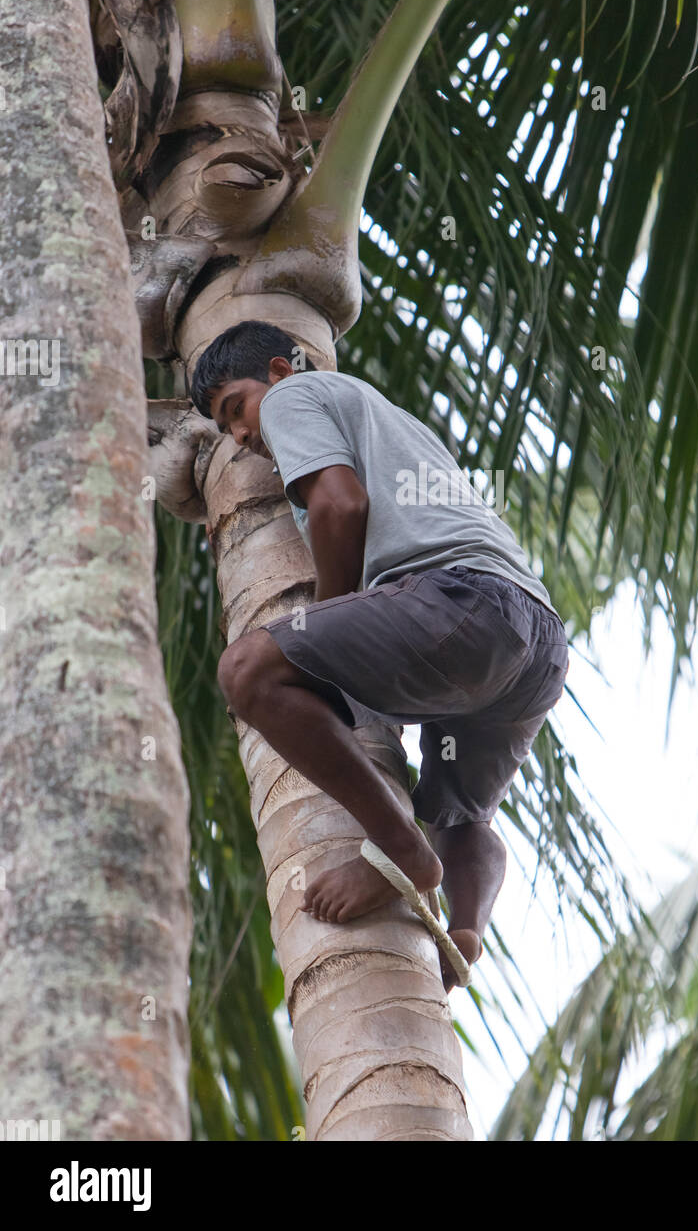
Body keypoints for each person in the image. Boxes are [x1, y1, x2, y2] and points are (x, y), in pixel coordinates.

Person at [191, 320, 569, 990]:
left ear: (278, 371)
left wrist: (327, 636)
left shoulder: (293, 397)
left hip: (462, 604)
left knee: (246, 671)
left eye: (234, 410)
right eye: (226, 432)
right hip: (533, 640)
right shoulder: (386, 420)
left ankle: (400, 854)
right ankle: (467, 928)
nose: (242, 436)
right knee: (464, 811)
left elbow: (339, 504)